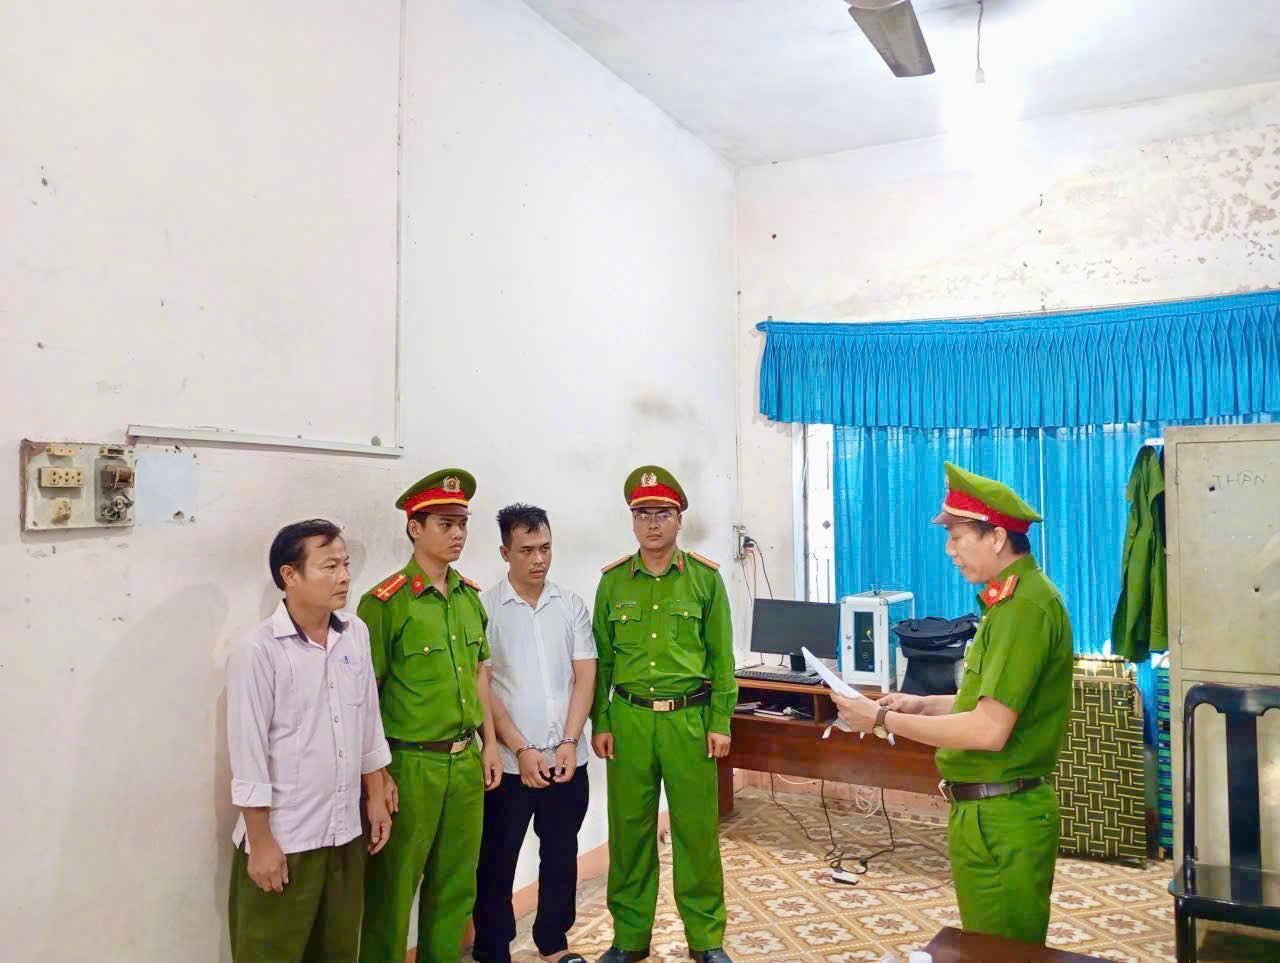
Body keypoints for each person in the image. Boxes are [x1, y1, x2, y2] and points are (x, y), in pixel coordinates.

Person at [831, 462, 1073, 945]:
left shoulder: (1024, 608)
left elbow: (987, 730)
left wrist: (881, 718)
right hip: (988, 812)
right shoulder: (1010, 603)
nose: (949, 550)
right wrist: (920, 705)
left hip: (1004, 815)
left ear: (997, 537)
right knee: (986, 944)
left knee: (1002, 953)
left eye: (957, 536)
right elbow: (984, 704)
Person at [226, 518, 393, 962]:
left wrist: (376, 795)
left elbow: (367, 722)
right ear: (290, 575)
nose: (344, 576)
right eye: (329, 567)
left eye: (346, 564)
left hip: (344, 832)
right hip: (286, 839)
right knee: (270, 953)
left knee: (338, 950)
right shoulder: (258, 651)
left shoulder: (354, 633)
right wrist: (261, 842)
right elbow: (248, 754)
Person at [590, 466, 737, 963]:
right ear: (632, 520)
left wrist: (720, 721)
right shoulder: (612, 582)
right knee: (629, 833)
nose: (652, 523)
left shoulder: (704, 579)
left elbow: (721, 658)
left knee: (696, 833)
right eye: (642, 514)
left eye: (662, 513)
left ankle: (706, 939)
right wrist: (601, 720)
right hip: (629, 719)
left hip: (688, 720)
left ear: (680, 519)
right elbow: (601, 660)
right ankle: (629, 938)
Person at [358, 469, 503, 963]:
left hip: (464, 763)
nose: (458, 533)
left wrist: (490, 744)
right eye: (445, 523)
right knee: (393, 889)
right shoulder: (385, 604)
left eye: (462, 523)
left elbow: (480, 674)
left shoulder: (468, 598)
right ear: (415, 528)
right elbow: (365, 698)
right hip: (410, 764)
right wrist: (377, 776)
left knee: (456, 885)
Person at [474, 503, 597, 963]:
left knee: (561, 854)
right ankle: (493, 948)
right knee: (496, 860)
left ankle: (553, 942)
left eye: (545, 547)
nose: (538, 559)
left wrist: (570, 740)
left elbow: (584, 675)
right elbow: (484, 686)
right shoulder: (485, 609)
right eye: (526, 550)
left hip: (567, 759)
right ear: (505, 552)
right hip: (510, 764)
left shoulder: (570, 605)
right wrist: (520, 748)